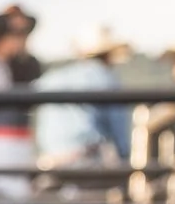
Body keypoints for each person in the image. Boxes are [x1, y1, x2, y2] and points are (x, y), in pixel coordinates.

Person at [36, 26, 135, 165]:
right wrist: (124, 156)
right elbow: (118, 126)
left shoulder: (51, 79)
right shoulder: (106, 79)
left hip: (52, 159)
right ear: (108, 55)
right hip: (90, 159)